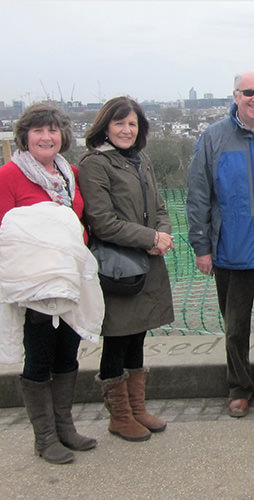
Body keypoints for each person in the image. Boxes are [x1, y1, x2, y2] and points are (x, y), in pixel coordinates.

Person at [186, 70, 254, 418]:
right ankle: (239, 387)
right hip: (231, 253)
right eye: (248, 92)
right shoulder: (213, 138)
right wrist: (201, 246)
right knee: (235, 328)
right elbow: (198, 195)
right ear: (235, 95)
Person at [0, 104, 98, 464]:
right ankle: (44, 437)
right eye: (39, 131)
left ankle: (65, 427)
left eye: (53, 131)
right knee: (38, 357)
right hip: (33, 287)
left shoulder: (69, 173)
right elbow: (4, 231)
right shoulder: (9, 176)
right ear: (25, 136)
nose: (46, 137)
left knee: (67, 353)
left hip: (70, 281)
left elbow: (79, 220)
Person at [79, 97, 174, 441]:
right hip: (117, 268)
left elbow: (159, 206)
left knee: (138, 334)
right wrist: (149, 237)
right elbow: (102, 221)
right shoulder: (95, 164)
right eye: (119, 123)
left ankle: (137, 408)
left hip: (146, 262)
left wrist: (161, 234)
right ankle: (119, 416)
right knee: (117, 339)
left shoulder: (141, 159)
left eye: (132, 124)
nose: (126, 130)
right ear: (105, 125)